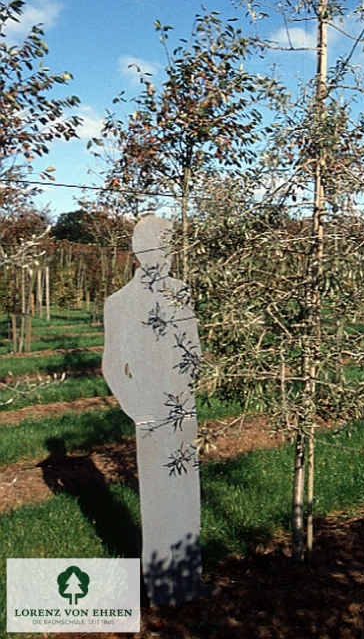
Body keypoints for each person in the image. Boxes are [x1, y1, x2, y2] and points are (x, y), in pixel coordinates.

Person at [103, 215, 204, 605]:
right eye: (162, 245)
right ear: (141, 252)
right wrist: (139, 411)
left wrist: (188, 386)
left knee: (186, 496)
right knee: (159, 500)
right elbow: (113, 367)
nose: (169, 254)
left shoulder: (182, 292)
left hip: (184, 409)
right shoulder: (120, 303)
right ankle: (162, 593)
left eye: (171, 246)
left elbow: (193, 350)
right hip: (150, 414)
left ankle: (190, 583)